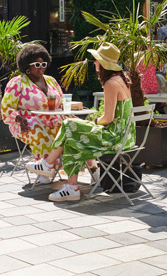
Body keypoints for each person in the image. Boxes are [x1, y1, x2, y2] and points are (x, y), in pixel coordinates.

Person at [25, 42, 134, 202]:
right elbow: (113, 117)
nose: (94, 62)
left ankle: (49, 165)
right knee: (71, 137)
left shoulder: (111, 84)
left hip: (114, 138)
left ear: (103, 63)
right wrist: (90, 123)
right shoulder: (120, 80)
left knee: (68, 125)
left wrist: (93, 122)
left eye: (96, 59)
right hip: (125, 135)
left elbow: (108, 118)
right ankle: (71, 187)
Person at [1, 44, 86, 185]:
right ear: (27, 66)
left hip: (52, 121)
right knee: (39, 129)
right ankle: (46, 170)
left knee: (72, 128)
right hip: (25, 123)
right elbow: (5, 107)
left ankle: (87, 168)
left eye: (43, 64)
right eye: (37, 64)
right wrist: (18, 117)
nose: (41, 67)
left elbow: (61, 102)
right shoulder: (18, 83)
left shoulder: (51, 80)